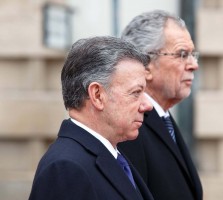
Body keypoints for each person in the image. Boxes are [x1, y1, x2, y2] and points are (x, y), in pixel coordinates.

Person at [29, 36, 154, 200]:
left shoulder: (113, 156)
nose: (147, 105)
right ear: (97, 95)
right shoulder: (66, 168)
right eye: (136, 92)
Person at [118, 10, 203, 200]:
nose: (193, 65)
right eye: (182, 54)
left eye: (192, 54)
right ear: (146, 65)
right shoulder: (130, 127)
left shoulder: (164, 118)